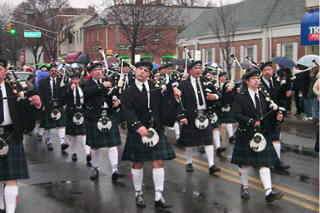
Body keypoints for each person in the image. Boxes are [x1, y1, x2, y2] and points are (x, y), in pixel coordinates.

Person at [121, 61, 179, 210]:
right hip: (138, 132)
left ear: (149, 74)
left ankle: (159, 196)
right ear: (135, 71)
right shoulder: (129, 91)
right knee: (138, 163)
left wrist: (173, 96)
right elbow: (127, 110)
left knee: (159, 162)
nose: (142, 72)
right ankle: (138, 193)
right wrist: (137, 126)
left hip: (156, 130)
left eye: (146, 70)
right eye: (140, 69)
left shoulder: (155, 88)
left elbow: (164, 106)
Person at [231, 68, 284, 202]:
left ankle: (268, 192)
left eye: (258, 79)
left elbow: (267, 117)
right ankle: (244, 186)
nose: (257, 81)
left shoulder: (263, 97)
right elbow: (236, 114)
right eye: (254, 79)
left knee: (264, 163)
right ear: (247, 81)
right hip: (246, 135)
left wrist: (277, 118)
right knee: (244, 164)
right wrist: (250, 121)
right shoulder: (240, 97)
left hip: (261, 135)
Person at [0, 58, 42, 213]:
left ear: (5, 71)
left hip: (11, 135)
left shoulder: (14, 89)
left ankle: (10, 211)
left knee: (11, 178)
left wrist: (36, 104)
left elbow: (26, 111)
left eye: (0, 69)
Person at [177, 60, 221, 175]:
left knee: (208, 140)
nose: (198, 71)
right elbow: (178, 102)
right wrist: (181, 116)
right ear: (190, 70)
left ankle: (211, 165)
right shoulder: (183, 84)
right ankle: (189, 162)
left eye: (200, 68)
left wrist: (214, 96)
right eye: (196, 69)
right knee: (189, 143)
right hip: (190, 115)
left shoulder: (207, 82)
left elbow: (218, 94)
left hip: (204, 114)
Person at [82, 62, 123, 182]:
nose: (98, 72)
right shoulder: (86, 83)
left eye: (100, 70)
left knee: (112, 144)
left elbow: (115, 96)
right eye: (95, 70)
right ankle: (95, 168)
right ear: (91, 73)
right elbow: (87, 93)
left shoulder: (108, 82)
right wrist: (102, 86)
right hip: (94, 117)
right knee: (95, 146)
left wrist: (117, 102)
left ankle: (115, 169)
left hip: (108, 115)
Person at [260, 62, 290, 170]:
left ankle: (276, 162)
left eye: (269, 69)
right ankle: (261, 160)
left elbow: (283, 99)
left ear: (273, 71)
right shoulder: (258, 84)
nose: (268, 72)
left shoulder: (278, 83)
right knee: (263, 139)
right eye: (265, 70)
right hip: (263, 116)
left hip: (276, 114)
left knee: (276, 138)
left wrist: (281, 112)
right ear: (262, 72)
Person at [59, 72, 91, 165]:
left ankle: (88, 153)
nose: (76, 81)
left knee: (85, 133)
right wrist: (70, 90)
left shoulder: (83, 87)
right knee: (73, 135)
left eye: (77, 79)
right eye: (74, 79)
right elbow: (62, 100)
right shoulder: (66, 88)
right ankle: (73, 152)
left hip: (82, 111)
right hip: (71, 112)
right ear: (70, 80)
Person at [38, 64, 69, 152]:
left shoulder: (61, 80)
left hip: (58, 105)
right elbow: (40, 94)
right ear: (48, 72)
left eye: (55, 70)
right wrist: (42, 104)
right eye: (52, 71)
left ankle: (62, 142)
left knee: (61, 124)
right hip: (48, 105)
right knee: (48, 126)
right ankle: (48, 141)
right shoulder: (43, 82)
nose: (54, 72)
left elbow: (64, 93)